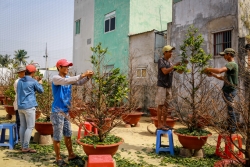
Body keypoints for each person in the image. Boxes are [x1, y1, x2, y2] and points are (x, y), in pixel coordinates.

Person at [51, 59, 93, 166]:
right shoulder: (56, 79)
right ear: (59, 68)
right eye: (65, 66)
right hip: (57, 112)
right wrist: (83, 74)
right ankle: (58, 158)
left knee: (68, 133)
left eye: (68, 66)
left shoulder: (69, 78)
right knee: (57, 136)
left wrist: (87, 77)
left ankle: (71, 154)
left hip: (66, 111)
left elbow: (79, 82)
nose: (67, 68)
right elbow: (66, 82)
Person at [204, 48, 238, 133]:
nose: (224, 56)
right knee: (229, 109)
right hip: (228, 90)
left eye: (225, 55)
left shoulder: (232, 64)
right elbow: (223, 78)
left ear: (229, 54)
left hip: (230, 91)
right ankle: (230, 126)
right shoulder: (231, 66)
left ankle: (233, 129)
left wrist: (208, 69)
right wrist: (213, 75)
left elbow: (219, 71)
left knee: (231, 110)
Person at [17, 64, 44, 153]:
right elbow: (41, 91)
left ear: (25, 71)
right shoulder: (33, 81)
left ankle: (22, 146)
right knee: (30, 127)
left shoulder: (20, 81)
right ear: (33, 72)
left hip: (20, 106)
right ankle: (25, 147)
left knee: (23, 126)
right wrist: (39, 83)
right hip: (29, 106)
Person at [155, 45, 180, 130]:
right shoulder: (161, 61)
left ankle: (164, 123)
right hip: (162, 86)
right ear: (165, 52)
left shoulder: (170, 63)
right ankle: (159, 124)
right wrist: (174, 66)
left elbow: (179, 71)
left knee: (166, 105)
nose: (171, 53)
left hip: (168, 86)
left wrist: (182, 65)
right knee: (160, 105)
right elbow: (165, 71)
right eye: (170, 52)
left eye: (171, 52)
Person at [13, 66, 26, 139]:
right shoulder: (17, 81)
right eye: (22, 72)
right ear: (19, 73)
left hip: (24, 105)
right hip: (19, 104)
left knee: (24, 122)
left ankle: (23, 136)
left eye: (24, 72)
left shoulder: (25, 80)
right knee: (19, 122)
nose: (23, 73)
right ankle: (18, 137)